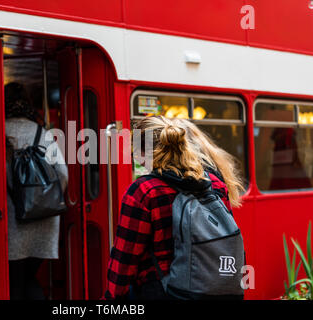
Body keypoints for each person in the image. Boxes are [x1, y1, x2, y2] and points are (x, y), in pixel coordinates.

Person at [104, 115, 244, 300]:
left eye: (134, 151)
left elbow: (125, 258)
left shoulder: (144, 191)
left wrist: (111, 299)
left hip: (163, 291)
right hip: (212, 289)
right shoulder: (215, 184)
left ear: (142, 152)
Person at [0, 82, 68, 300]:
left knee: (13, 282)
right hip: (45, 221)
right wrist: (45, 199)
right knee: (28, 278)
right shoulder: (44, 133)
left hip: (10, 222)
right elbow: (63, 173)